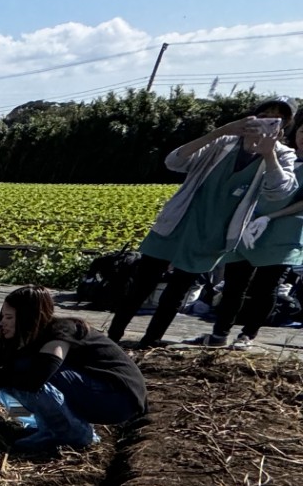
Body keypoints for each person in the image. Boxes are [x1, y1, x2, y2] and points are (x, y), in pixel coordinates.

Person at [108, 100, 297, 348]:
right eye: (262, 116)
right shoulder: (222, 143)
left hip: (214, 232)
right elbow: (174, 162)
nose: (267, 122)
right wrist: (221, 130)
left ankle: (149, 343)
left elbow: (279, 191)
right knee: (142, 284)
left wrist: (268, 153)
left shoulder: (283, 154)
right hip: (179, 221)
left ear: (283, 129)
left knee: (177, 291)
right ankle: (112, 337)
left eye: (276, 120)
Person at [0, 285, 146, 456]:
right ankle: (40, 423)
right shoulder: (31, 339)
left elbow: (36, 380)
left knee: (22, 372)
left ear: (28, 318)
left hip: (117, 399)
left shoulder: (60, 333)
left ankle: (71, 433)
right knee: (8, 377)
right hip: (96, 392)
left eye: (9, 318)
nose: (2, 323)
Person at [203, 114, 303, 347]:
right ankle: (219, 333)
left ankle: (248, 335)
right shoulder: (280, 154)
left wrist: (271, 217)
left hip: (284, 231)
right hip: (249, 225)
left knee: (266, 287)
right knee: (235, 283)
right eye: (301, 132)